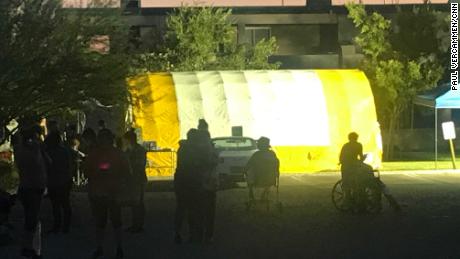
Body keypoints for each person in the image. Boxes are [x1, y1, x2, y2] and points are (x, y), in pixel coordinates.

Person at [83, 129, 130, 259]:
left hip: (110, 192)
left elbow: (126, 172)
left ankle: (116, 247)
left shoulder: (112, 154)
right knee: (102, 222)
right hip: (101, 192)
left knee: (115, 222)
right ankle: (102, 247)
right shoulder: (113, 154)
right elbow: (86, 172)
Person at [14, 125, 49, 259]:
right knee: (32, 218)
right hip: (32, 187)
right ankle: (28, 247)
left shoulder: (22, 150)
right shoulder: (31, 152)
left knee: (32, 217)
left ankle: (29, 246)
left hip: (30, 186)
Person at [173, 129, 198, 244]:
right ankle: (192, 234)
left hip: (181, 182)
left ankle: (178, 232)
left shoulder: (182, 149)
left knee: (181, 209)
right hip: (190, 182)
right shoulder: (191, 150)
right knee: (192, 209)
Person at [44, 132, 73, 234]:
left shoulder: (49, 152)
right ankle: (66, 226)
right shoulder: (64, 151)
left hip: (54, 181)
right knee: (65, 204)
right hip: (64, 180)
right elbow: (69, 166)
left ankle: (57, 225)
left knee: (56, 205)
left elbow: (47, 166)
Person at [122, 130, 147, 233]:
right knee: (135, 202)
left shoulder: (138, 151)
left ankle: (138, 224)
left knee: (138, 202)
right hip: (134, 178)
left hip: (138, 178)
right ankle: (136, 223)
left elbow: (139, 165)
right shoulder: (131, 150)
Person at [245, 137, 280, 202]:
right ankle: (265, 193)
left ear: (260, 145)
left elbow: (248, 165)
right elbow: (276, 165)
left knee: (248, 173)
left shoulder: (256, 155)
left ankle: (251, 193)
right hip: (270, 180)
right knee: (268, 178)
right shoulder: (272, 154)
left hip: (257, 179)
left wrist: (244, 171)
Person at [339, 132, 364, 210]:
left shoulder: (345, 145)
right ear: (356, 138)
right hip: (354, 165)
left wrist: (342, 161)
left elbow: (341, 156)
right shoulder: (359, 145)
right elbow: (361, 156)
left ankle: (347, 202)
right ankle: (357, 201)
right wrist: (361, 160)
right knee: (356, 184)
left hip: (346, 166)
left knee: (346, 185)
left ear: (349, 138)